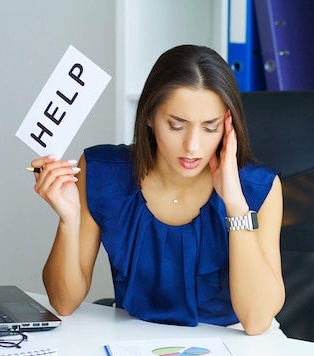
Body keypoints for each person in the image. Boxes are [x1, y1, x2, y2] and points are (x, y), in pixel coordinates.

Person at [30, 45, 285, 335]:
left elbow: (256, 322)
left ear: (229, 127)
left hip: (235, 344)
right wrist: (68, 219)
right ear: (150, 116)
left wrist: (236, 205)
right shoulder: (104, 172)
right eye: (177, 126)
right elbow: (63, 303)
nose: (193, 146)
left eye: (210, 128)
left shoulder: (259, 189)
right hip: (134, 342)